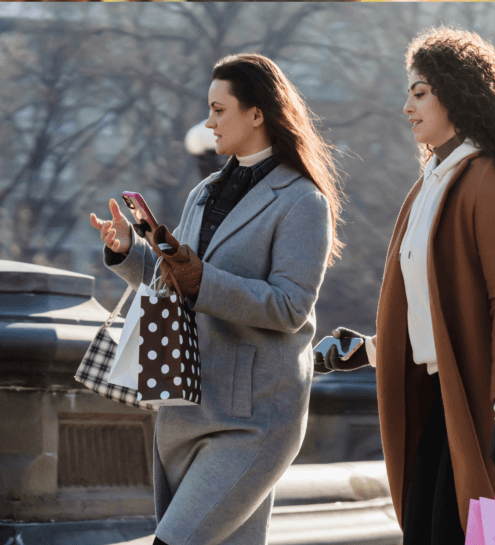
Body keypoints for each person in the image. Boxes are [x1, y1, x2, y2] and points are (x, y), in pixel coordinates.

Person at [315, 27, 495, 543]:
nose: (407, 107)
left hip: (481, 404)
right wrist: (365, 350)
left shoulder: (494, 177)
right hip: (436, 400)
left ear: (457, 92)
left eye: (419, 92)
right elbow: (437, 314)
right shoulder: (431, 182)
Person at [90, 53, 343, 545]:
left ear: (257, 113)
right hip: (185, 408)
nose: (209, 122)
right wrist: (127, 253)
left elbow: (290, 306)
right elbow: (175, 282)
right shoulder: (205, 191)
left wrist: (203, 280)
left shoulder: (304, 202)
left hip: (253, 420)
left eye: (219, 109)